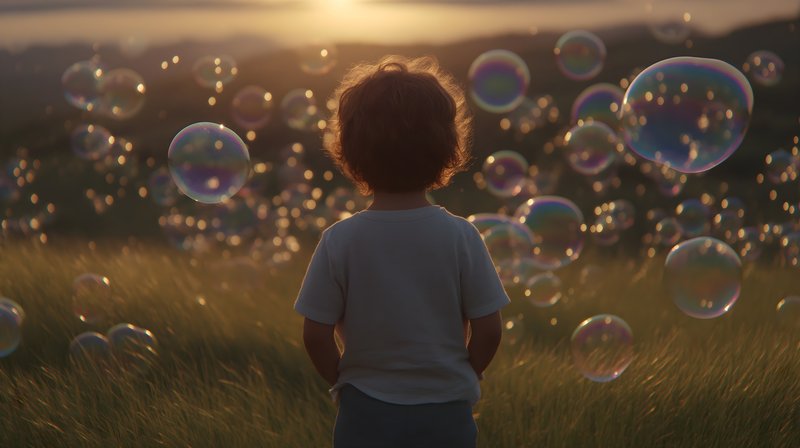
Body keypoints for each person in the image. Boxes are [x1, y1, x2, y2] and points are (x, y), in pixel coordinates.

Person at [294, 55, 510, 448]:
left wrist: (345, 379)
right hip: (445, 411)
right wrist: (466, 372)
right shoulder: (462, 236)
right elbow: (489, 329)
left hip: (365, 411)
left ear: (350, 152)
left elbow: (315, 334)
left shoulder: (340, 240)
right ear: (447, 149)